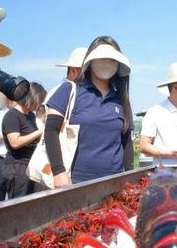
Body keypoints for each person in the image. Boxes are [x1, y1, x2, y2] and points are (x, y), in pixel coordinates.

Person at [46, 36, 134, 186]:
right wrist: (59, 171)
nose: (106, 63)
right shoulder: (69, 89)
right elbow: (50, 131)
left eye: (112, 59)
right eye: (101, 58)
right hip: (75, 182)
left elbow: (126, 142)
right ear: (90, 61)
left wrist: (131, 176)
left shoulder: (121, 100)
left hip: (115, 184)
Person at [1, 82, 46, 197]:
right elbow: (15, 142)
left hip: (31, 165)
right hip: (17, 167)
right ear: (31, 98)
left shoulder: (30, 115)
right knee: (19, 204)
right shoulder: (12, 116)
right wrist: (39, 132)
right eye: (38, 101)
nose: (39, 105)